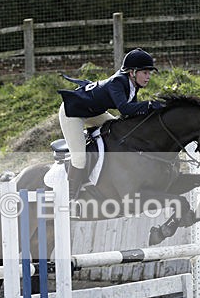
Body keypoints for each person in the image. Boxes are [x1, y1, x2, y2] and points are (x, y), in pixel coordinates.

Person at [57, 48, 163, 199]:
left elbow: (129, 116)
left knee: (119, 131)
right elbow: (125, 109)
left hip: (92, 112)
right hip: (72, 112)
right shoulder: (118, 82)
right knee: (79, 158)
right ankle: (70, 197)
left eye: (149, 73)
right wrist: (150, 105)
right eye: (145, 72)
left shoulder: (132, 85)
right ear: (132, 72)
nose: (148, 77)